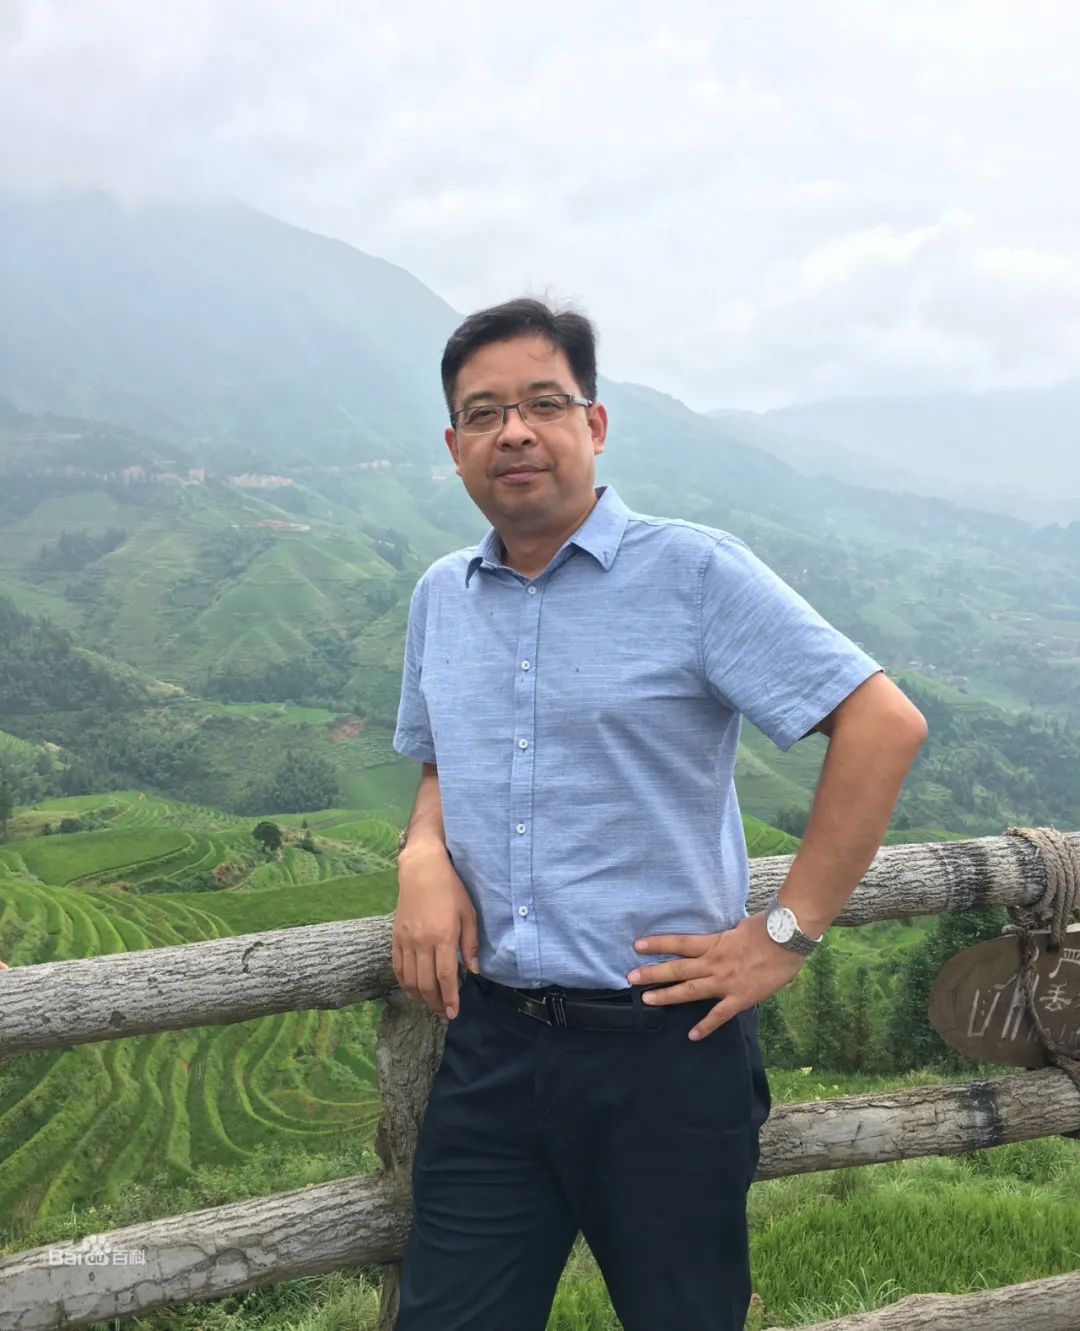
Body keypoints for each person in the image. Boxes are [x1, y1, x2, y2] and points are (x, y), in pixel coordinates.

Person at [390, 297, 928, 1331]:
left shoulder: (693, 571)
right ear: (455, 447)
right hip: (491, 1041)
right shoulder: (441, 595)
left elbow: (882, 723)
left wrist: (785, 933)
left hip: (664, 1052)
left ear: (593, 424)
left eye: (544, 404)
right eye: (484, 412)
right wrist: (423, 850)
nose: (514, 431)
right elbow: (440, 758)